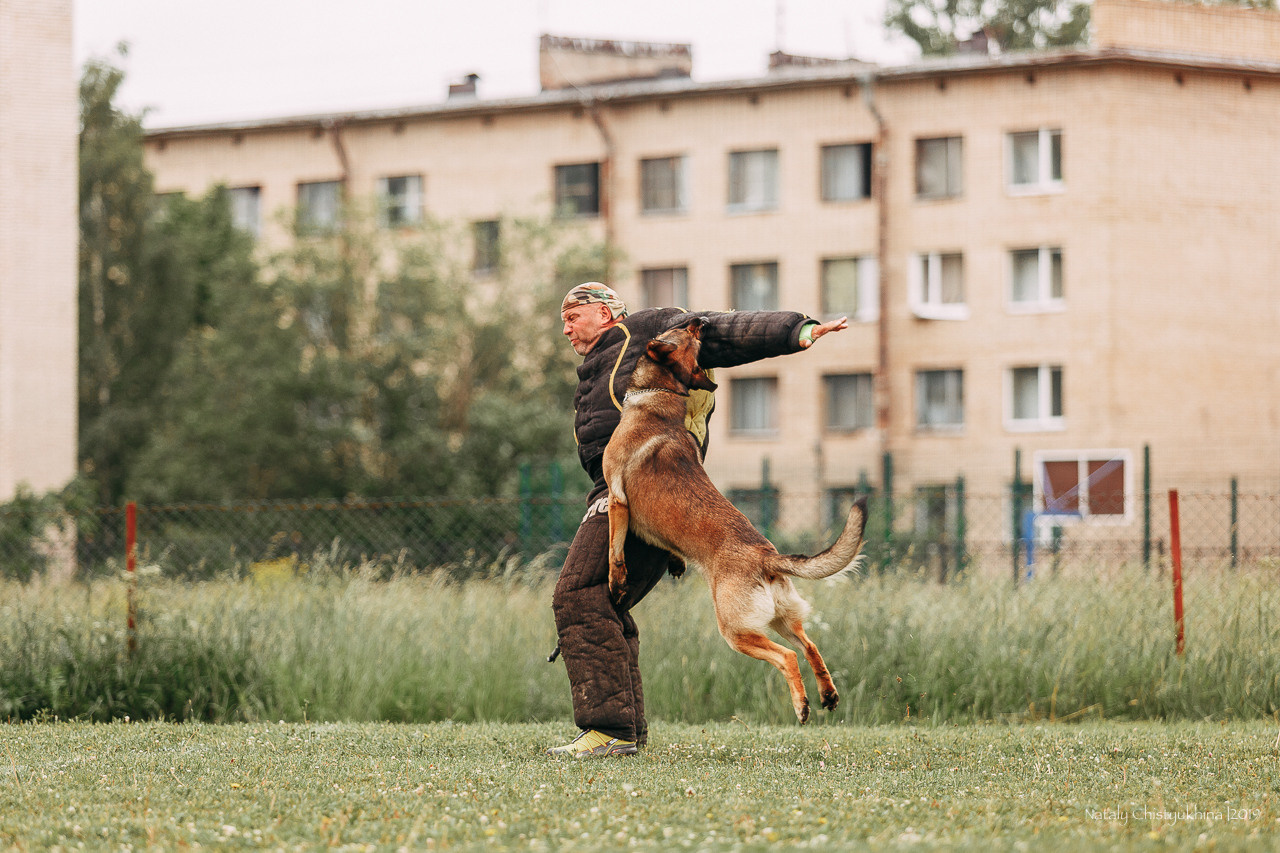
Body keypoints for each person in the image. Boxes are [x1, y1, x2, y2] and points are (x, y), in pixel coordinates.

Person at [546, 282, 848, 758]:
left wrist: (796, 331)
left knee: (579, 596)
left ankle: (611, 731)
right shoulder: (597, 363)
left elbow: (721, 330)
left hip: (641, 492)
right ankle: (624, 732)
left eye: (571, 317)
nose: (564, 329)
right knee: (604, 603)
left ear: (604, 314)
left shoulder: (646, 328)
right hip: (636, 494)